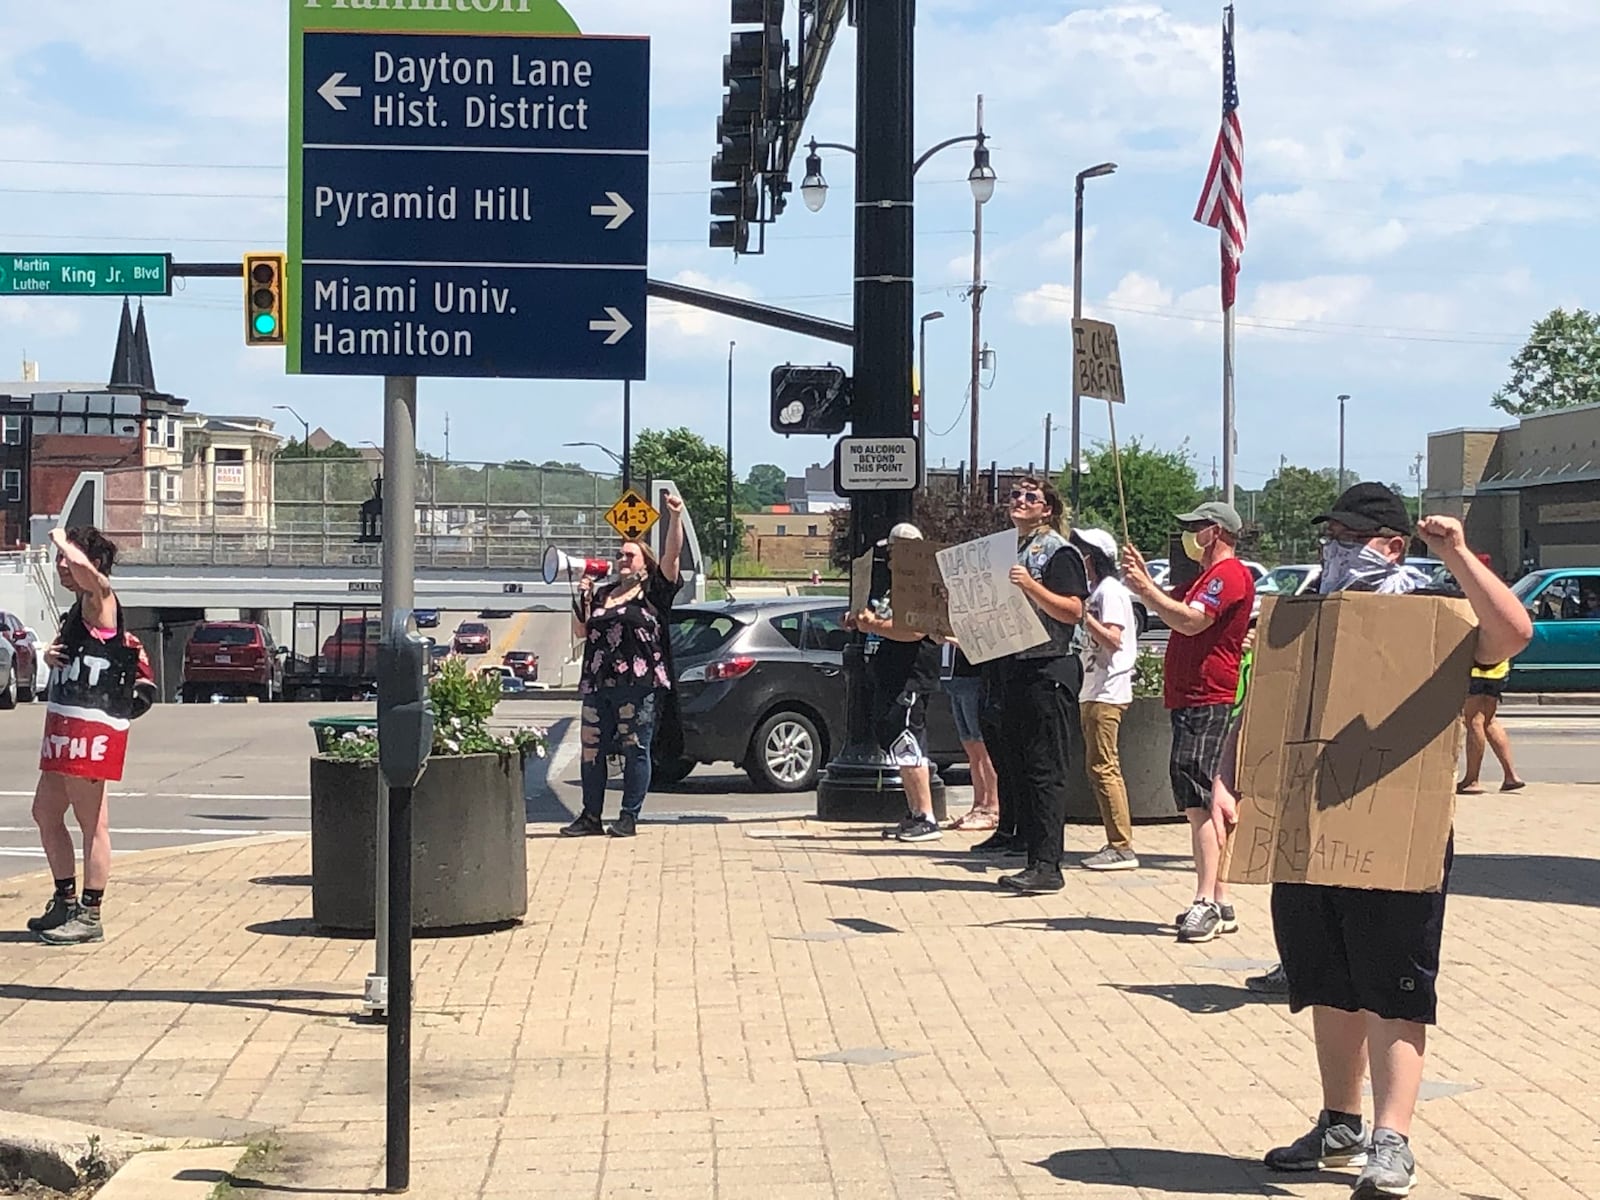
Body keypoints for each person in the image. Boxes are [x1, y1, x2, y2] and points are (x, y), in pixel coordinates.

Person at [1210, 483, 1531, 1199]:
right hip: (1308, 826)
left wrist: (1453, 554)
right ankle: (1339, 1121)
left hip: (1395, 836)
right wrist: (1230, 774)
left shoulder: (1428, 613)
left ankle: (1394, 1140)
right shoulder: (1305, 615)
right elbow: (1268, 703)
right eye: (1332, 535)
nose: (1337, 547)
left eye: (1353, 535)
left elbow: (1511, 634)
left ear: (1390, 544)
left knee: (1396, 987)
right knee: (1328, 981)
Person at [1123, 501, 1254, 941]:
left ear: (1215, 531)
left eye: (1195, 527)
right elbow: (1168, 605)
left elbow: (1191, 621)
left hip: (1206, 696)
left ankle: (1206, 901)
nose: (1189, 534)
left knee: (1199, 799)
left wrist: (1146, 587)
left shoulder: (1228, 575)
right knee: (1209, 797)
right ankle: (1219, 895)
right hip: (1192, 697)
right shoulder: (1204, 577)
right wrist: (1144, 584)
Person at [29, 526, 153, 945]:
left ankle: (90, 911)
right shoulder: (77, 610)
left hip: (92, 727)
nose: (61, 565)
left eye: (68, 559)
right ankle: (64, 899)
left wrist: (61, 536)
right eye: (59, 559)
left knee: (92, 821)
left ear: (93, 564)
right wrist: (49, 653)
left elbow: (84, 568)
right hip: (64, 723)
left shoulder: (102, 598)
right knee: (45, 812)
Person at [971, 475, 1089, 894]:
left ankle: (1048, 865)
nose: (1018, 501)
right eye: (1014, 495)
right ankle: (1025, 847)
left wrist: (1030, 585)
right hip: (1015, 666)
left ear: (1048, 509)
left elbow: (1073, 610)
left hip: (1051, 668)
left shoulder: (1059, 552)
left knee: (1045, 769)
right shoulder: (1007, 549)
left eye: (1029, 496)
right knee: (1018, 765)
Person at [562, 494, 684, 839]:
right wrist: (581, 598)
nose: (621, 559)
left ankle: (629, 816)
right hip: (599, 681)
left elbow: (672, 556)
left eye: (629, 555)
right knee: (592, 748)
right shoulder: (602, 594)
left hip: (639, 681)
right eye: (619, 554)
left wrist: (674, 519)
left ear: (645, 563)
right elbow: (582, 630)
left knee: (634, 748)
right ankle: (590, 815)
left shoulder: (654, 591)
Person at [845, 522, 944, 843]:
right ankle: (915, 812)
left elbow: (913, 630)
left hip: (911, 676)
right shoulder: (895, 586)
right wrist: (860, 621)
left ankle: (927, 817)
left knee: (908, 741)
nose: (889, 558)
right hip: (890, 673)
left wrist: (875, 623)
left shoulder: (922, 584)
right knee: (895, 740)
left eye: (894, 551)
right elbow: (887, 621)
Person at [1073, 527, 1140, 871]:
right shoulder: (1097, 591)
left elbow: (1113, 638)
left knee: (1104, 766)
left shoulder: (1110, 592)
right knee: (1096, 766)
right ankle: (1116, 840)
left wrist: (1084, 616)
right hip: (1094, 687)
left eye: (1083, 550)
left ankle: (1121, 844)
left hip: (1108, 689)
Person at [943, 646, 999, 831]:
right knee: (971, 748)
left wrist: (951, 639)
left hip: (975, 678)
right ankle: (978, 805)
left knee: (983, 746)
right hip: (954, 677)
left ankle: (992, 808)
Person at [1458, 659, 1523, 795]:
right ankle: (1511, 775)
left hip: (1475, 668)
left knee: (1474, 721)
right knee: (1489, 720)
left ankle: (1472, 780)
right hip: (1499, 668)